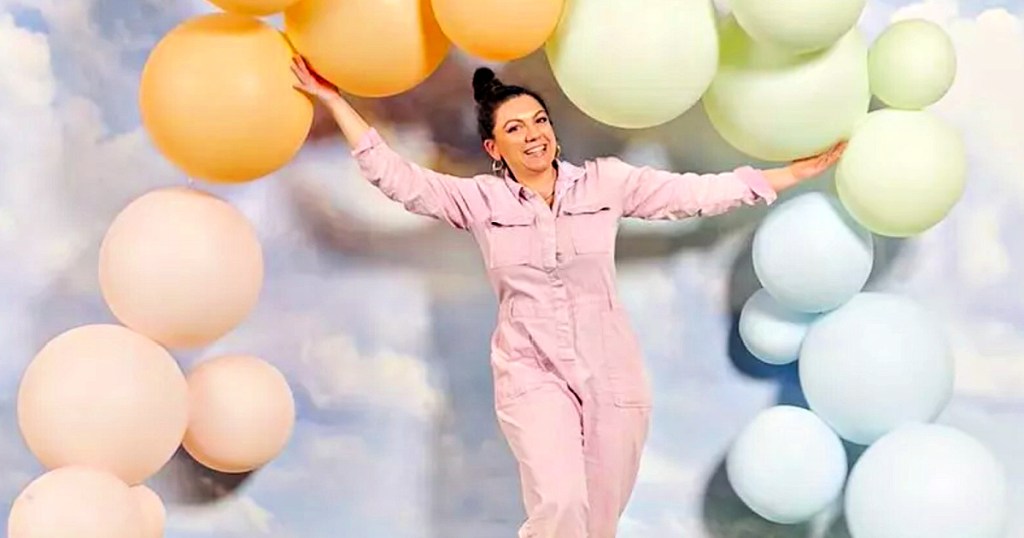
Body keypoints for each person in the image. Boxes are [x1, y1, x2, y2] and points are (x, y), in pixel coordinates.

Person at [291, 56, 845, 538]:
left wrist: (783, 177)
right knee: (556, 500)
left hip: (608, 372)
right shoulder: (482, 201)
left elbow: (690, 196)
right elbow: (399, 181)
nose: (533, 133)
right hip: (526, 374)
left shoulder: (602, 182)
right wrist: (336, 105)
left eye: (538, 122)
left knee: (597, 516)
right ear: (494, 147)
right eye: (515, 128)